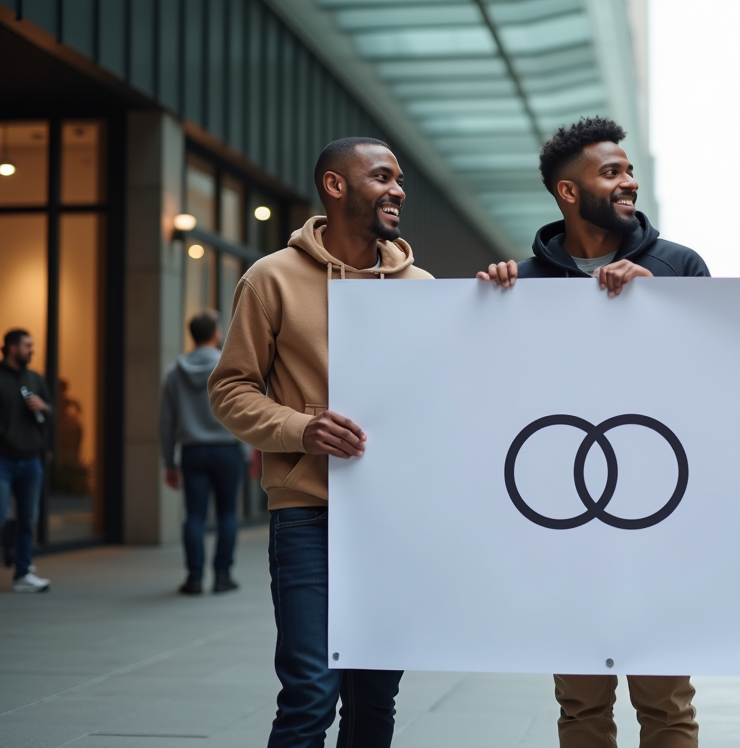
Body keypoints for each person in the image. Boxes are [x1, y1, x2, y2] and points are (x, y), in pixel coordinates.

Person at [478, 116, 707, 748]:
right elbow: (493, 397)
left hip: (656, 517)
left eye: (630, 169)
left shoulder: (678, 265)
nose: (629, 181)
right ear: (568, 193)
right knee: (579, 707)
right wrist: (486, 309)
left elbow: (716, 379)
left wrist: (660, 304)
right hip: (564, 524)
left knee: (667, 705)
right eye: (612, 173)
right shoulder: (522, 282)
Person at [210, 137, 430, 746]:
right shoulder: (270, 279)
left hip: (392, 522)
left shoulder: (423, 286)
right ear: (336, 187)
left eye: (400, 179)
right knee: (310, 690)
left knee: (374, 697)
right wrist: (302, 428)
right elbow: (230, 390)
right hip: (308, 515)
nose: (398, 191)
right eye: (382, 178)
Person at [160, 310, 245, 595]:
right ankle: (223, 575)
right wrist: (248, 451)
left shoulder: (175, 371)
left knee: (194, 514)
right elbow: (243, 409)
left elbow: (166, 421)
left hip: (192, 452)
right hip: (227, 449)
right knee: (227, 514)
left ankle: (194, 577)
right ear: (216, 334)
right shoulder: (229, 366)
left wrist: (169, 461)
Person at [0, 329, 53, 593]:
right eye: (27, 345)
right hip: (3, 460)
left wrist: (43, 407)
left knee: (27, 519)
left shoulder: (35, 378)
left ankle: (23, 573)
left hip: (31, 459)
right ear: (11, 347)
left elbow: (51, 411)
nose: (32, 350)